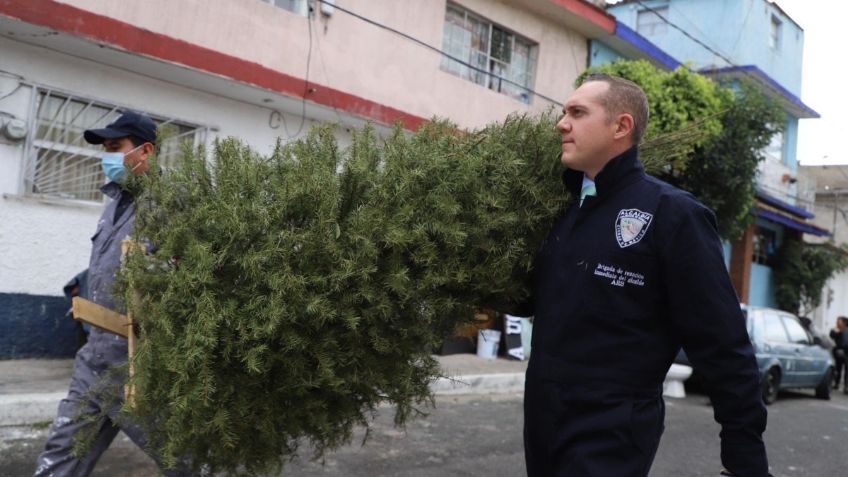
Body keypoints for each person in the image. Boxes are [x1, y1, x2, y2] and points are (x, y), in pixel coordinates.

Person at [522, 74, 770, 477]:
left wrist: (745, 456)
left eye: (577, 113)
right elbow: (541, 300)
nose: (561, 123)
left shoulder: (673, 215)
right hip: (542, 424)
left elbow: (722, 342)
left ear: (621, 126)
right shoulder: (566, 213)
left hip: (612, 432)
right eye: (564, 112)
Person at [34, 112, 194, 476]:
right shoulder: (114, 204)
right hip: (95, 360)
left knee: (185, 462)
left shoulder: (173, 202)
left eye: (114, 147)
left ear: (145, 151)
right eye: (105, 148)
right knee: (61, 454)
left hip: (143, 365)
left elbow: (193, 274)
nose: (106, 156)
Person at [829, 316, 848, 391]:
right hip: (837, 353)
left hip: (846, 353)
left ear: (845, 322)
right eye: (837, 321)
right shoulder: (836, 330)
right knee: (837, 368)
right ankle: (836, 383)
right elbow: (831, 336)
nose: (837, 322)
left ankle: (846, 386)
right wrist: (836, 331)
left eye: (839, 321)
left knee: (847, 370)